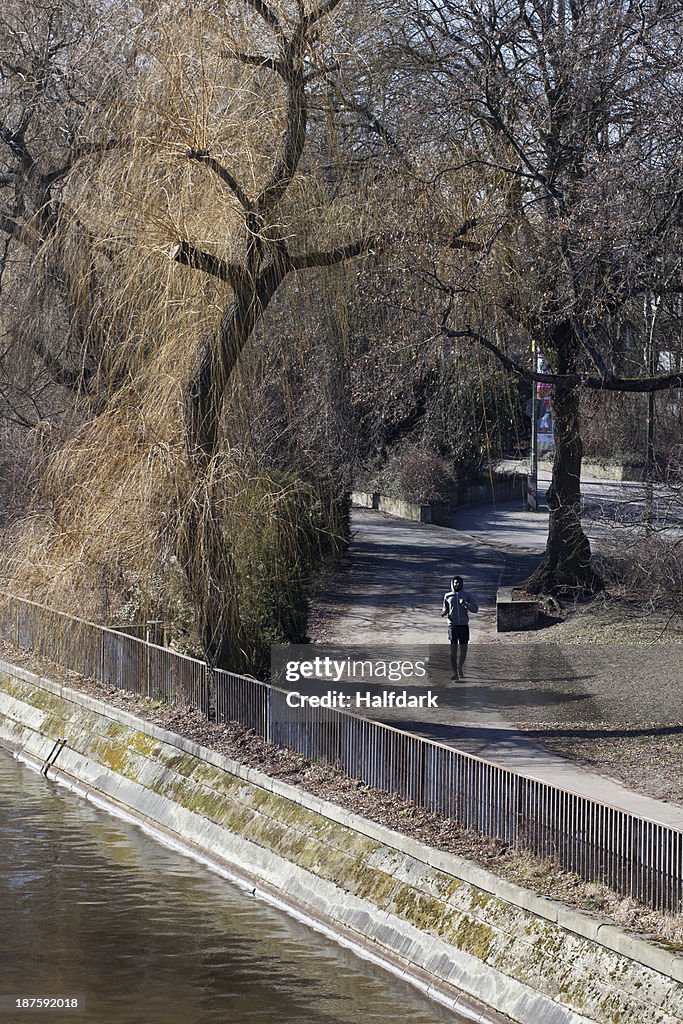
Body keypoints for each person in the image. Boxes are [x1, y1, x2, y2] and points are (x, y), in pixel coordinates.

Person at [441, 575, 478, 678]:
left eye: (459, 583)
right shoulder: (447, 596)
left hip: (463, 625)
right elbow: (445, 608)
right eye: (455, 583)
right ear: (452, 584)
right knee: (453, 649)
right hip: (452, 626)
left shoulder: (467, 595)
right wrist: (444, 612)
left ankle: (460, 667)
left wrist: (465, 604)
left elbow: (475, 609)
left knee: (464, 649)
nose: (457, 584)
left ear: (462, 584)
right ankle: (454, 673)